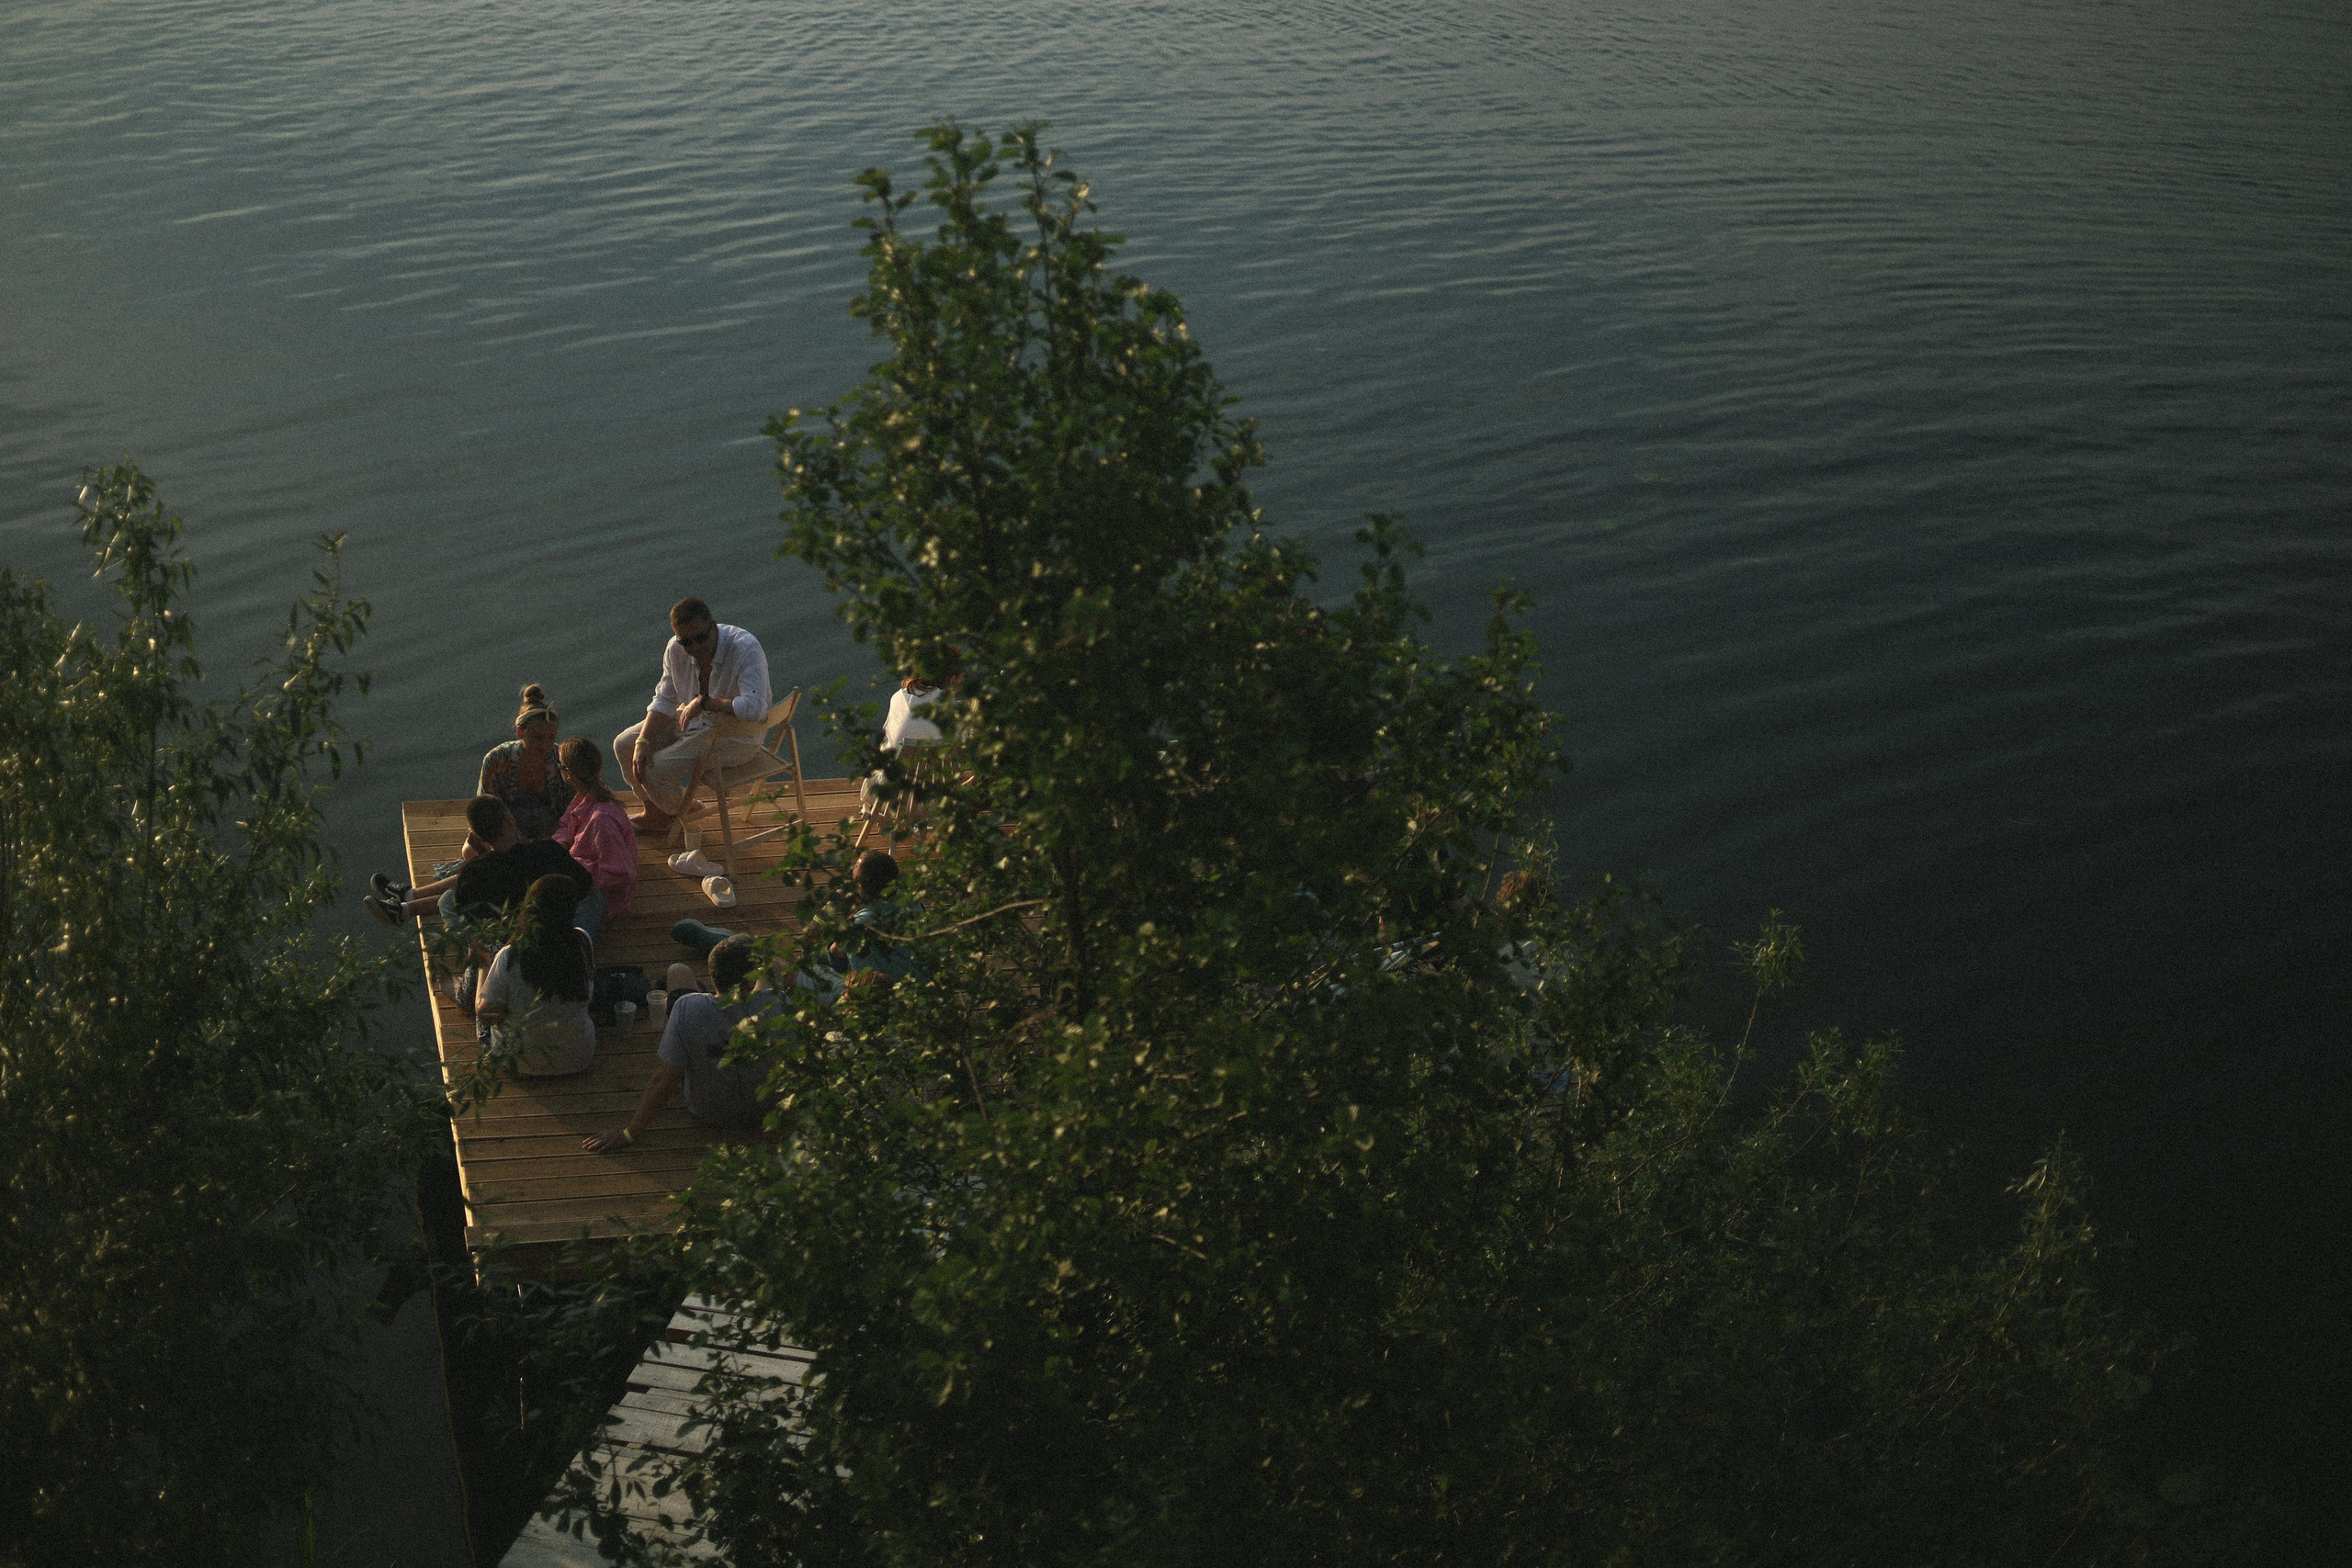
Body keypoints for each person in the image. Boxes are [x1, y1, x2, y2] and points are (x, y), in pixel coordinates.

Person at [582, 934, 776, 1151]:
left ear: (713, 975)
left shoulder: (687, 1008)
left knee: (678, 971)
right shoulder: (777, 1003)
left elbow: (663, 1081)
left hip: (710, 1112)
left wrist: (629, 1133)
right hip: (767, 1111)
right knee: (773, 966)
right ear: (750, 981)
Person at [610, 597, 772, 836]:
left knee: (654, 772)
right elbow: (665, 699)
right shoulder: (675, 650)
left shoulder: (745, 648)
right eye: (686, 641)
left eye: (701, 638)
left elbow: (756, 708)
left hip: (736, 736)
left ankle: (685, 809)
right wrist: (643, 741)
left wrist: (706, 702)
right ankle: (658, 812)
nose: (695, 647)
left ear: (713, 626)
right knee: (625, 745)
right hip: (693, 720)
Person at [475, 875, 597, 1076]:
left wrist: (483, 967)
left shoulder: (509, 957)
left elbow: (487, 1017)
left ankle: (451, 986)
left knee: (483, 999)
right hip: (578, 1058)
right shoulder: (582, 942)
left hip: (516, 1063)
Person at [551, 738, 638, 938]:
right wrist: (559, 846)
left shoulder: (601, 820)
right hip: (578, 872)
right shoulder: (589, 792)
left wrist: (576, 873)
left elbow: (622, 873)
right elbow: (567, 824)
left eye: (560, 765)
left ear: (569, 773)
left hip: (603, 897)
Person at [479, 684, 573, 840]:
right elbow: (487, 810)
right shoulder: (497, 759)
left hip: (556, 840)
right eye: (538, 737)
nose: (545, 745)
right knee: (469, 849)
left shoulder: (562, 758)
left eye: (551, 737)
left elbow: (577, 806)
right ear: (520, 732)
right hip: (507, 840)